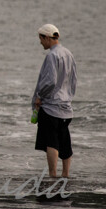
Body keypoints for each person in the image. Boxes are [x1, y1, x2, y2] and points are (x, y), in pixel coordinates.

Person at [32, 23, 76, 178]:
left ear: (47, 38)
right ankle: (66, 174)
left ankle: (52, 174)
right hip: (66, 107)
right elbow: (73, 80)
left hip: (51, 107)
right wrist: (69, 97)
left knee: (51, 142)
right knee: (65, 141)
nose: (40, 42)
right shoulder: (68, 53)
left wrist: (40, 96)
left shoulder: (52, 55)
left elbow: (50, 81)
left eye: (41, 38)